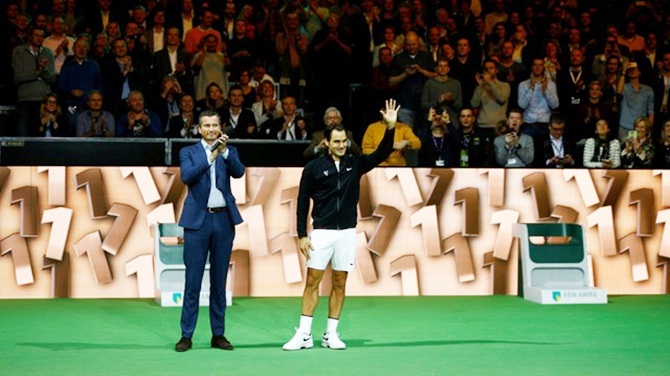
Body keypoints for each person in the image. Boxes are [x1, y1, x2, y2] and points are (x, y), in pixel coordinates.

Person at [282, 99, 399, 351]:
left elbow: (381, 154)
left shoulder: (355, 164)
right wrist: (302, 235)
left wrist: (390, 128)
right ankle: (303, 334)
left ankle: (330, 334)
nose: (342, 145)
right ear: (326, 143)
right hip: (321, 233)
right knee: (312, 282)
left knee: (339, 283)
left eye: (344, 141)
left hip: (346, 233)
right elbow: (302, 203)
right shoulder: (313, 168)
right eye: (336, 141)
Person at [175, 110, 246, 353]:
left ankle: (219, 334)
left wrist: (224, 152)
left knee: (219, 281)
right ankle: (186, 335)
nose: (212, 129)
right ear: (199, 128)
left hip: (223, 221)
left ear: (220, 127)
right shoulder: (189, 152)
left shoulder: (229, 151)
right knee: (192, 281)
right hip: (198, 222)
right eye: (207, 125)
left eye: (215, 125)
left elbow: (239, 171)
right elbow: (187, 176)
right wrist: (211, 156)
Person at [13, 26, 56, 137]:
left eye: (42, 36)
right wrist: (37, 73)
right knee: (23, 135)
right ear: (30, 36)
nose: (39, 38)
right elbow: (17, 77)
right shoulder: (19, 51)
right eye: (36, 35)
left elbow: (52, 79)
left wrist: (44, 70)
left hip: (43, 101)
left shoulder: (48, 53)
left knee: (39, 136)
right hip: (25, 99)